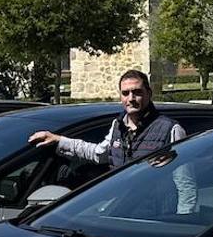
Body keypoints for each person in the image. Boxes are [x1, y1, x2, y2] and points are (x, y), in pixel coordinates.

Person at [28, 70, 186, 168]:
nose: (131, 98)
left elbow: (184, 180)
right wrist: (59, 141)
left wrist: (184, 217)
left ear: (149, 94)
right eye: (125, 93)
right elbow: (98, 154)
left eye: (137, 92)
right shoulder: (118, 126)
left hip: (155, 216)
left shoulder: (170, 129)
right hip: (120, 211)